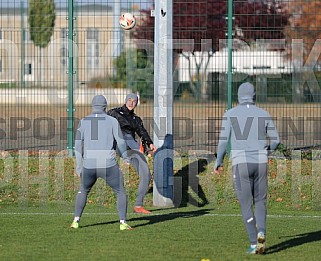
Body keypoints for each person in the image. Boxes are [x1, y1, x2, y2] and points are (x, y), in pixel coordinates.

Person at [214, 82, 280, 254]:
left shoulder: (230, 114)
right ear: (254, 95)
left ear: (238, 95)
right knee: (260, 201)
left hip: (241, 163)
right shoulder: (264, 114)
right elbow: (276, 140)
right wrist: (267, 150)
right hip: (261, 162)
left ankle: (253, 243)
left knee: (245, 204)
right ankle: (261, 232)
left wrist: (218, 161)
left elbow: (223, 141)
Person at [71, 95, 133, 230]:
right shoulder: (112, 121)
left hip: (89, 165)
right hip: (108, 164)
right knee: (120, 191)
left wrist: (79, 166)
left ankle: (76, 221)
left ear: (92, 106)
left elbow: (76, 146)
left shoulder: (83, 121)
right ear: (105, 106)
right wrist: (125, 157)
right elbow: (121, 142)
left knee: (83, 190)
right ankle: (123, 222)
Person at [107, 93, 156, 214]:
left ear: (137, 103)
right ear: (125, 100)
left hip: (131, 148)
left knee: (146, 175)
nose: (131, 102)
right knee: (124, 137)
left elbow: (142, 132)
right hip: (118, 144)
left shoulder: (136, 119)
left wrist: (150, 143)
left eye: (134, 101)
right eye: (129, 99)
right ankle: (133, 153)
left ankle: (138, 205)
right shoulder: (114, 113)